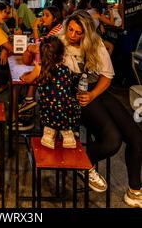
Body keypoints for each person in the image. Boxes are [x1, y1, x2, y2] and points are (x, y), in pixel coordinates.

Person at [60, 10, 142, 206]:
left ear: (86, 34)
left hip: (95, 90)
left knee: (137, 138)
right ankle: (83, 164)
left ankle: (134, 191)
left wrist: (93, 94)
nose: (72, 35)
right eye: (70, 30)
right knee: (112, 140)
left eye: (78, 32)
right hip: (75, 95)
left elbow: (107, 76)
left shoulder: (95, 44)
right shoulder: (60, 42)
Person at [20, 36, 80, 149]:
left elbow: (28, 80)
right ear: (62, 54)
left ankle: (49, 134)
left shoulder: (40, 68)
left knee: (48, 106)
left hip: (49, 113)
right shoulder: (67, 69)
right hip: (68, 113)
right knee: (63, 105)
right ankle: (68, 135)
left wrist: (24, 76)